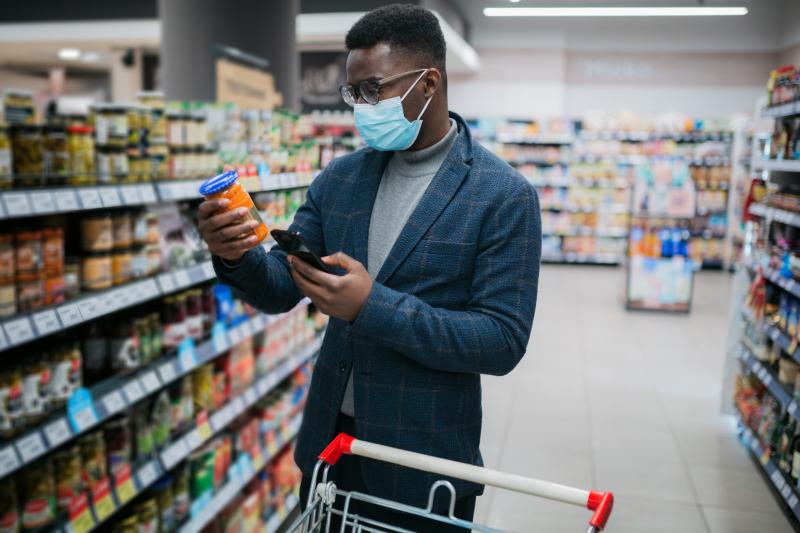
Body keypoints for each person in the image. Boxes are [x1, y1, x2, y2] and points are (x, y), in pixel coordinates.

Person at [199, 4, 540, 530]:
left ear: (428, 84)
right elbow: (278, 288)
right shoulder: (340, 179)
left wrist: (370, 306)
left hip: (424, 461)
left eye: (372, 90)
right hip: (329, 447)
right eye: (352, 93)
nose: (361, 107)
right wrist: (234, 252)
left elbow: (500, 340)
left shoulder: (502, 196)